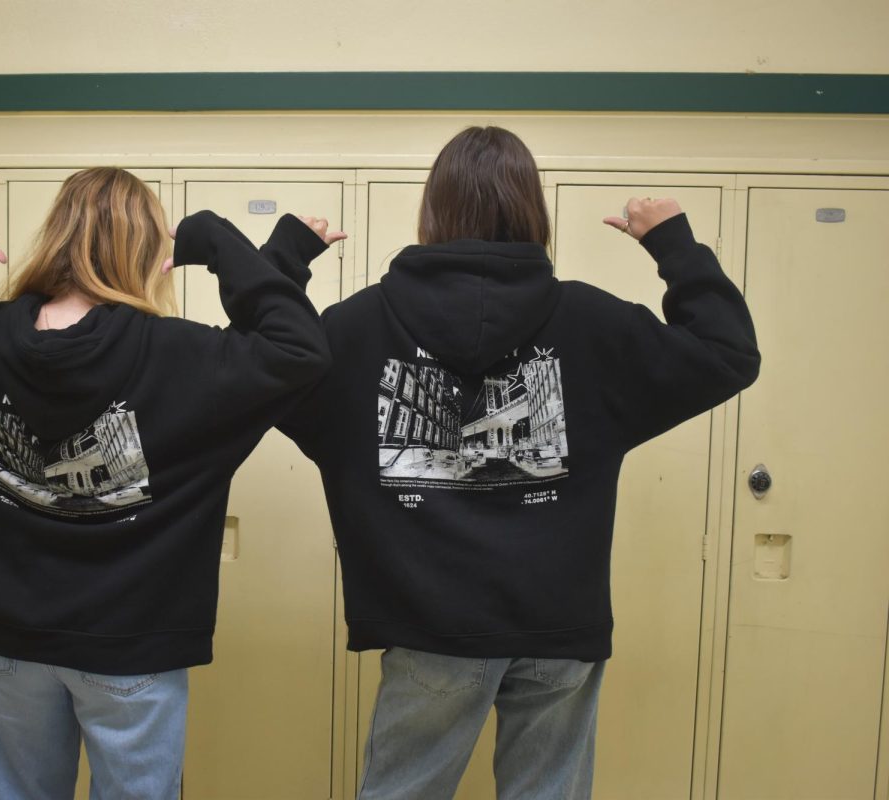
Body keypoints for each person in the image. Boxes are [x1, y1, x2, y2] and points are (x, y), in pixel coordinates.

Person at [273, 127, 760, 799]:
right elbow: (726, 353)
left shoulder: (356, 328)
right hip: (560, 625)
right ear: (533, 209)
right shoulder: (592, 322)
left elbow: (253, 368)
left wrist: (283, 264)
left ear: (432, 211)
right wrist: (673, 243)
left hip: (429, 626)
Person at [0, 167, 340, 800]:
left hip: (14, 647)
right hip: (134, 653)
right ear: (145, 249)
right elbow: (289, 352)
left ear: (56, 235)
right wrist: (228, 245)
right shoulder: (175, 353)